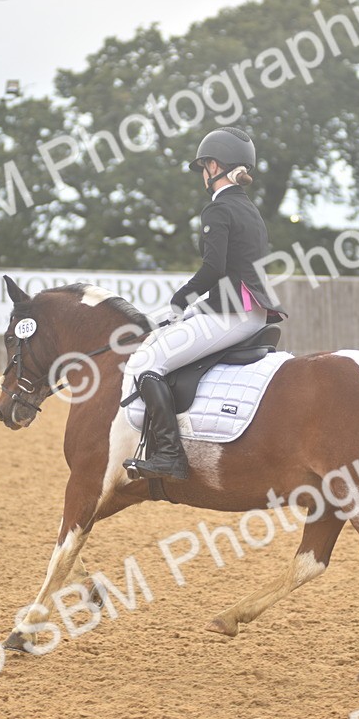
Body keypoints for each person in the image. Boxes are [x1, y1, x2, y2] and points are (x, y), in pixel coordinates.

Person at [124, 127, 287, 481]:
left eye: (203, 167)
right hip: (248, 309)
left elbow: (214, 267)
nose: (202, 174)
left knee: (148, 363)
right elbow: (237, 269)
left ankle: (169, 455)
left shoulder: (217, 210)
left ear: (214, 166)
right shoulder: (250, 210)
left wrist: (180, 301)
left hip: (234, 313)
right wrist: (201, 308)